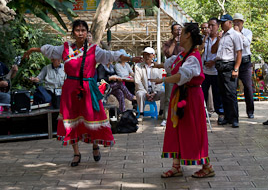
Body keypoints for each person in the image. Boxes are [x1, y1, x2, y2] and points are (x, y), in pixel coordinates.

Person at [23, 20, 142, 167]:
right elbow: (48, 50)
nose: (80, 33)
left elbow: (111, 55)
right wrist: (31, 50)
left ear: (87, 33)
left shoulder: (94, 50)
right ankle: (76, 153)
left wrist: (130, 58)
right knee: (71, 119)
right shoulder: (65, 48)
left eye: (83, 30)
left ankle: (94, 145)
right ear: (73, 32)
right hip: (70, 90)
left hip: (87, 89)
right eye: (77, 30)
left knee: (92, 117)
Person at [151, 23, 214, 178]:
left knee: (194, 130)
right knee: (175, 128)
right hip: (180, 95)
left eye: (182, 32)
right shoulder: (183, 54)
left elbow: (181, 75)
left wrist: (163, 80)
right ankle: (176, 166)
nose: (179, 35)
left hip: (191, 97)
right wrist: (154, 64)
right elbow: (171, 63)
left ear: (188, 35)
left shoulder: (193, 57)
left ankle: (207, 166)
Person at [211, 14, 243, 128]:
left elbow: (239, 53)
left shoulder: (235, 35)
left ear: (230, 22)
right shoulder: (222, 35)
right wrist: (218, 38)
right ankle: (227, 117)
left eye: (223, 23)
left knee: (231, 93)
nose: (221, 25)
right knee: (222, 93)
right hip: (220, 66)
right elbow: (213, 50)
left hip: (229, 65)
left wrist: (236, 69)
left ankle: (235, 118)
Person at [200, 18, 224, 123]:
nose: (210, 28)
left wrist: (213, 62)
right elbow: (199, 50)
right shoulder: (205, 39)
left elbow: (222, 52)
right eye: (208, 26)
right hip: (205, 70)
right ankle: (202, 113)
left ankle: (220, 113)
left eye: (212, 25)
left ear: (217, 26)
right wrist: (205, 37)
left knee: (217, 93)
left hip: (216, 70)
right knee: (203, 93)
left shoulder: (221, 38)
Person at [161, 22, 184, 126]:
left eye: (179, 29)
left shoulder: (185, 42)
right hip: (171, 72)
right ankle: (166, 117)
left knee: (183, 95)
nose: (178, 31)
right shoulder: (168, 43)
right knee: (169, 96)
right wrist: (174, 43)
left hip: (182, 72)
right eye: (176, 29)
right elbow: (168, 54)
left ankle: (181, 117)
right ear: (172, 32)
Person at [233, 13, 254, 119]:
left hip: (245, 62)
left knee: (248, 87)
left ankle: (250, 111)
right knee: (232, 87)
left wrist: (238, 33)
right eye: (234, 22)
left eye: (238, 21)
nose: (236, 24)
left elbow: (246, 43)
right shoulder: (230, 33)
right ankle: (233, 113)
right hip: (234, 62)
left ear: (242, 23)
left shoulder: (247, 32)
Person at [135, 47, 164, 116]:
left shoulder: (157, 66)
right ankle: (141, 113)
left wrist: (155, 92)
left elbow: (160, 81)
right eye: (145, 55)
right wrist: (146, 93)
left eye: (149, 55)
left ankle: (161, 112)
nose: (147, 57)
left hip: (154, 91)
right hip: (143, 90)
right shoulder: (138, 66)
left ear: (153, 56)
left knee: (164, 93)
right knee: (140, 94)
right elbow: (137, 81)